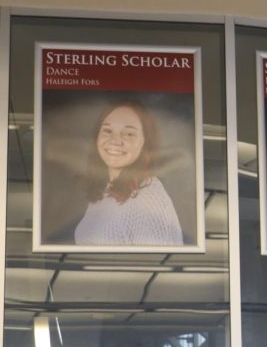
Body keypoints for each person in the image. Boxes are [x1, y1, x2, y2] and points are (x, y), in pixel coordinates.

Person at [73, 99, 184, 246]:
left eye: (129, 134)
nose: (115, 141)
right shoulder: (107, 189)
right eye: (107, 130)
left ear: (145, 142)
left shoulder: (147, 198)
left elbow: (155, 264)